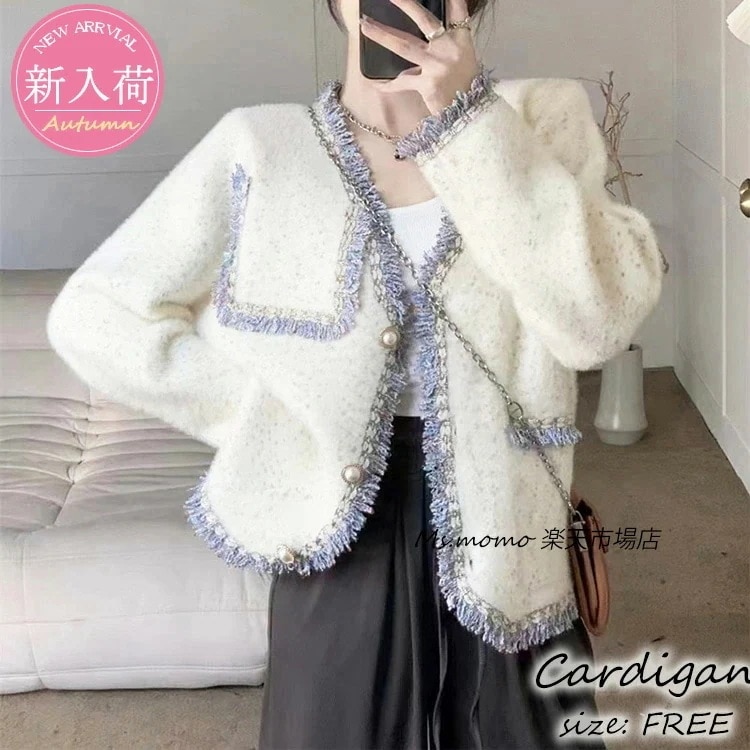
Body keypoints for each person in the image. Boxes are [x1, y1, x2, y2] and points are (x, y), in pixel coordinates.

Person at [46, 0, 665, 747]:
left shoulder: (537, 118)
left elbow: (597, 324)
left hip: (511, 527)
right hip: (335, 531)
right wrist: (271, 419)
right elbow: (97, 313)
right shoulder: (262, 146)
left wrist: (469, 119)